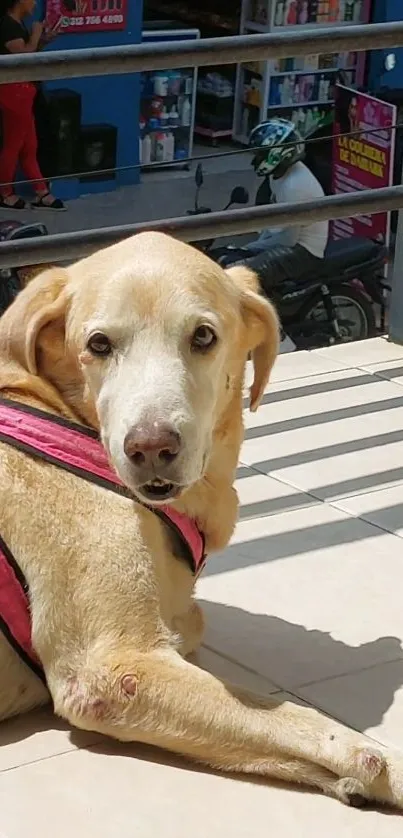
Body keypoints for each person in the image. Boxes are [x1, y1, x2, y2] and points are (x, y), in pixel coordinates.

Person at [218, 118, 329, 296]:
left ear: (278, 154)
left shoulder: (295, 186)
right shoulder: (278, 174)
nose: (255, 161)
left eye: (260, 155)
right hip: (288, 241)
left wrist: (251, 248)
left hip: (303, 251)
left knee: (238, 278)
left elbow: (288, 240)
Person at [0, 0, 65, 210]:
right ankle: (5, 193)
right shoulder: (6, 25)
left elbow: (31, 51)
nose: (35, 3)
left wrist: (44, 39)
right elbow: (22, 57)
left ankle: (41, 191)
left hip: (25, 91)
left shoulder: (18, 24)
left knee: (30, 146)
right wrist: (37, 33)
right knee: (13, 145)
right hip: (12, 93)